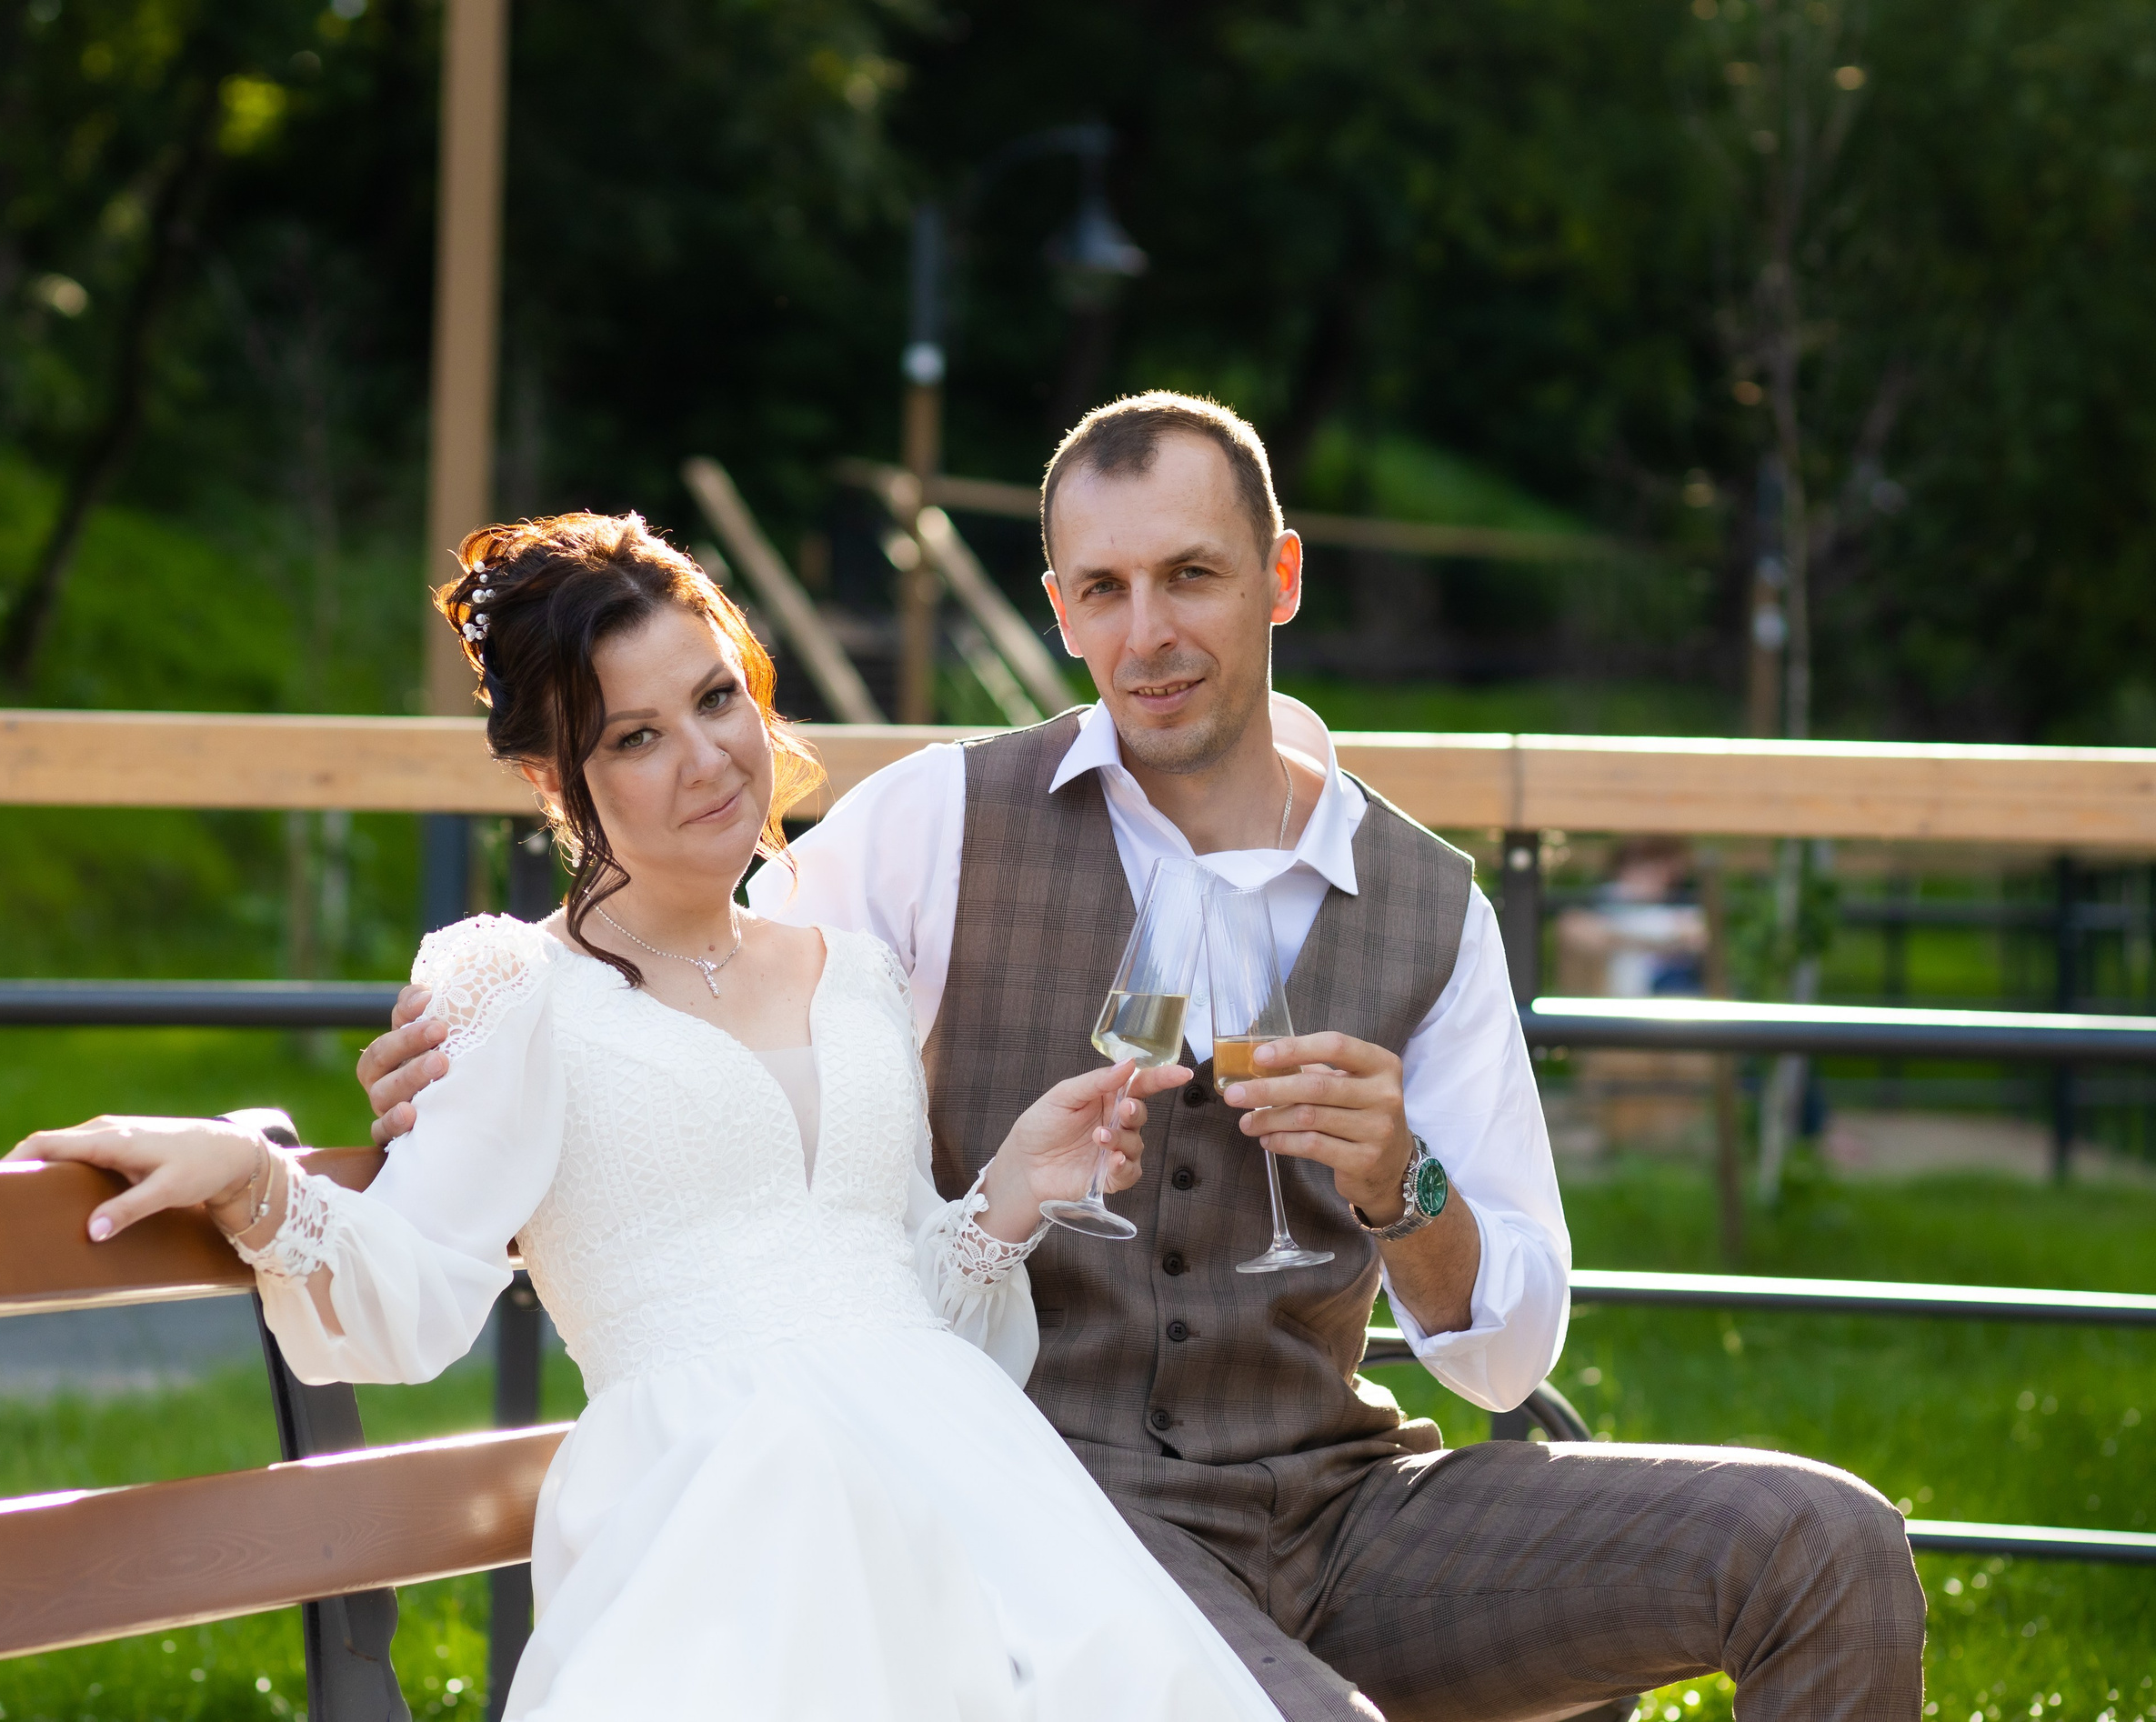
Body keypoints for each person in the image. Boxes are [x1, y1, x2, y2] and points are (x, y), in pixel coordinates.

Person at [366, 394, 1926, 1721]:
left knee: (1825, 1543)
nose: (1148, 631)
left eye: (1191, 575)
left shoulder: (1428, 905)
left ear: (1281, 579)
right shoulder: (935, 827)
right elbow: (687, 996)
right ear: (1059, 608)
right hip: (1064, 1510)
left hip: (1348, 1502)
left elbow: (1503, 1354)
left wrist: (1404, 1178)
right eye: (1103, 588)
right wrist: (476, 1039)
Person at [9, 513, 1289, 1722]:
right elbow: (404, 1294)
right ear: (548, 776)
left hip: (969, 1487)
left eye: (716, 697)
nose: (707, 758)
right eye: (635, 737)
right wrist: (251, 1176)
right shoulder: (513, 988)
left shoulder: (852, 974)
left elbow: (902, 1312)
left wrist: (1009, 1192)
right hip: (724, 1507)